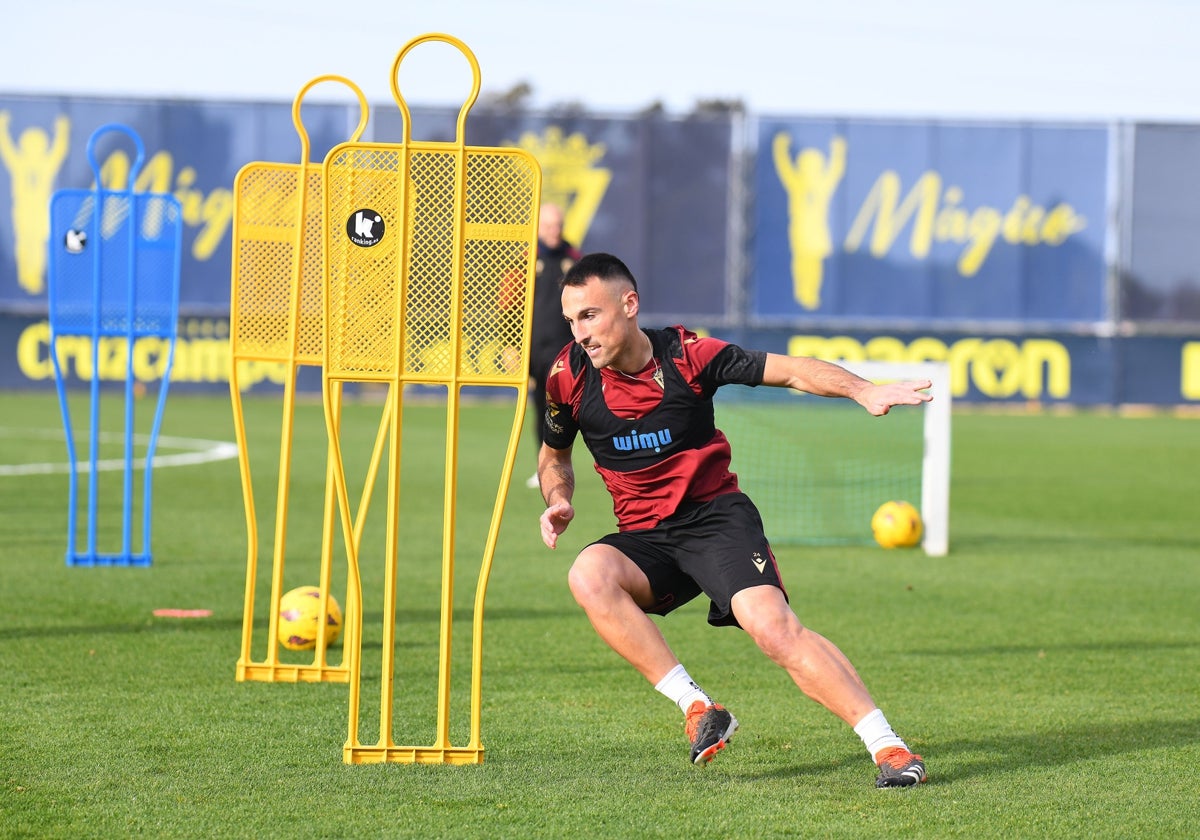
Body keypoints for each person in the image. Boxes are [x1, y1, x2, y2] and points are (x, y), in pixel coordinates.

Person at [535, 252, 931, 788]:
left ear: (629, 305)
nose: (580, 332)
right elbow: (554, 457)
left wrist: (862, 389)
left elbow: (790, 371)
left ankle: (888, 748)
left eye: (590, 315)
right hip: (646, 539)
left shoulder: (688, 354)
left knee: (773, 631)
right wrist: (558, 498)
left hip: (716, 521)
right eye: (571, 320)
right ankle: (698, 707)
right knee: (588, 574)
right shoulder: (567, 375)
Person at [522, 202, 582, 488]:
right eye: (548, 226)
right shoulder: (526, 258)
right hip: (535, 349)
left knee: (570, 409)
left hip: (568, 350)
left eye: (557, 225)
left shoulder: (574, 259)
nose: (553, 231)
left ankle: (571, 464)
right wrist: (512, 345)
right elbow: (508, 305)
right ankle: (543, 465)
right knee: (541, 407)